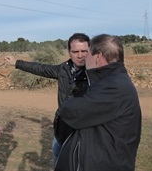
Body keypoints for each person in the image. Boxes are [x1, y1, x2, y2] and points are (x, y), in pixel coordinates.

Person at [55, 34, 142, 171]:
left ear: (97, 57)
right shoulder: (113, 80)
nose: (83, 57)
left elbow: (71, 112)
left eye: (87, 53)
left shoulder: (114, 86)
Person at [4, 33, 90, 168]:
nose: (80, 55)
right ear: (69, 52)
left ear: (90, 51)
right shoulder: (64, 69)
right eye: (75, 51)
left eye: (84, 51)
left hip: (80, 137)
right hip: (60, 133)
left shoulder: (95, 74)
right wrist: (17, 63)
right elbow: (41, 69)